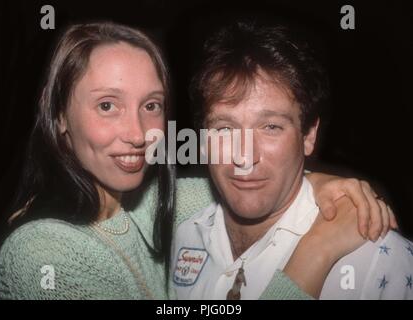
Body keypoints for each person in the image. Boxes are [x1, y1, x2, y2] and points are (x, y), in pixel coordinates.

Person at [0, 21, 394, 300]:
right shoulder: (38, 254)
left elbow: (246, 182)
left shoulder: (157, 203)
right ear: (60, 117)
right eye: (107, 105)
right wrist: (316, 253)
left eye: (150, 105)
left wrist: (318, 183)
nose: (138, 133)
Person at [172, 20, 413, 300]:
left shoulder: (377, 264)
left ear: (309, 135)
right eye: (225, 129)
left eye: (271, 127)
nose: (244, 157)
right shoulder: (171, 237)